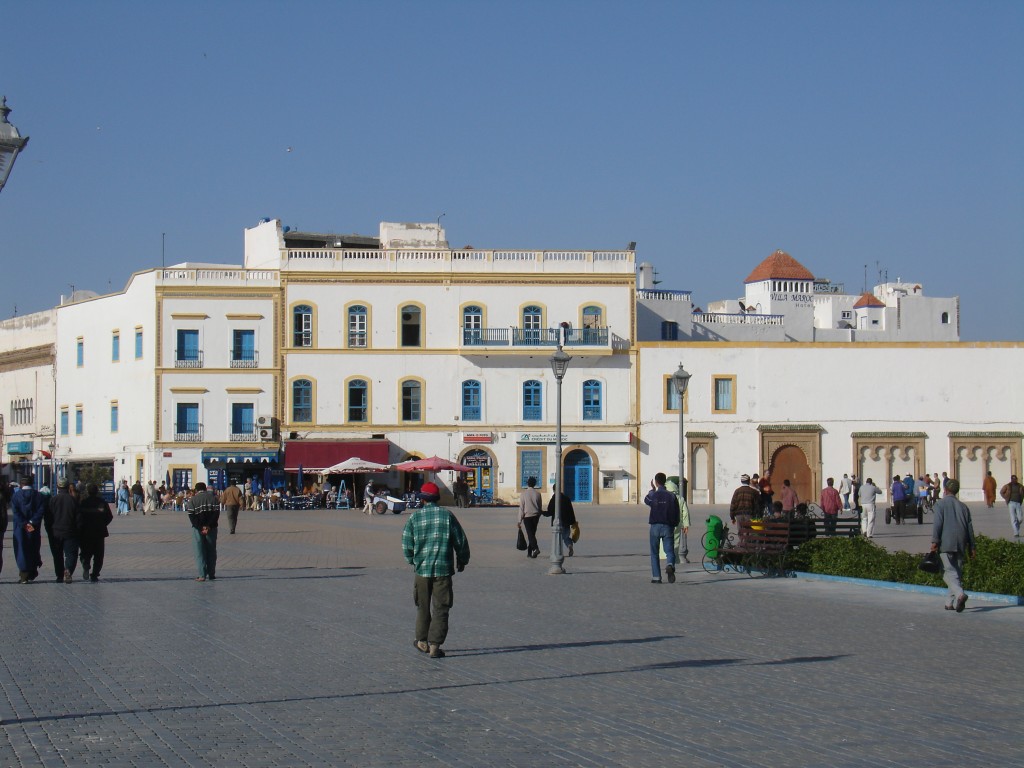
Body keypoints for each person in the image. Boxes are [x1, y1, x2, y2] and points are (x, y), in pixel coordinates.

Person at [401, 481, 470, 659]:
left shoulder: (414, 518)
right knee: (441, 607)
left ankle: (422, 640)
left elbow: (407, 544)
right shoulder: (447, 516)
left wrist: (412, 560)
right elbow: (460, 540)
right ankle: (435, 645)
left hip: (422, 570)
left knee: (422, 606)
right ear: (437, 499)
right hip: (443, 570)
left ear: (423, 500)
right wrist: (462, 560)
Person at [930, 479, 976, 612]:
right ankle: (949, 603)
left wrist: (934, 541)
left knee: (947, 572)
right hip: (961, 543)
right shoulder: (963, 506)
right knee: (956, 573)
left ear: (945, 490)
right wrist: (972, 546)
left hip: (946, 542)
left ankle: (960, 595)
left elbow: (938, 524)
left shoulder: (941, 504)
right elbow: (970, 528)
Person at [644, 473, 680, 584]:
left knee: (654, 552)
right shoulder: (671, 496)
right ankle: (670, 564)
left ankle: (656, 577)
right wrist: (674, 524)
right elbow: (676, 512)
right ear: (665, 482)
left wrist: (652, 490)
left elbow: (646, 500)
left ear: (656, 482)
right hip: (668, 526)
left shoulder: (654, 495)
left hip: (655, 526)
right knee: (669, 550)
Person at [47, 477, 81, 583]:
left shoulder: (53, 500)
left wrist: (49, 530)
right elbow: (79, 518)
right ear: (68, 487)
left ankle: (59, 575)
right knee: (71, 554)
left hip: (55, 532)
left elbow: (48, 518)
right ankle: (68, 570)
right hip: (70, 532)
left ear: (57, 487)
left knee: (57, 555)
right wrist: (78, 530)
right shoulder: (73, 500)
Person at [11, 475, 45, 583]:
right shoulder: (38, 496)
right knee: (33, 547)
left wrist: (24, 523)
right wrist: (32, 522)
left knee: (21, 548)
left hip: (20, 527)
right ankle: (32, 570)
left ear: (21, 484)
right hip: (34, 527)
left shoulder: (16, 496)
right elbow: (41, 510)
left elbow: (15, 512)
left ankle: (24, 573)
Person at [78, 483, 114, 582]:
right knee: (99, 555)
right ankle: (94, 574)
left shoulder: (84, 503)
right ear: (97, 491)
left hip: (86, 532)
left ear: (88, 492)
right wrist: (103, 524)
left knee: (86, 552)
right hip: (99, 532)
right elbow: (109, 517)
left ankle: (86, 565)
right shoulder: (102, 503)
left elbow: (79, 517)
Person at [186, 481, 220, 581]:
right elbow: (216, 514)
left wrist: (201, 527)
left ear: (196, 490)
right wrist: (208, 526)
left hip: (197, 529)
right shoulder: (213, 499)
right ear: (205, 489)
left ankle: (202, 575)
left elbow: (191, 516)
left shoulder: (193, 500)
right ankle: (212, 573)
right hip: (212, 528)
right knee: (211, 550)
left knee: (199, 551)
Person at [546, 483, 577, 555]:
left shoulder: (554, 499)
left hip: (557, 523)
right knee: (566, 537)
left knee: (558, 538)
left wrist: (541, 512)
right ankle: (570, 546)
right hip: (566, 523)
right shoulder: (566, 498)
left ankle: (558, 553)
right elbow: (571, 511)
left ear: (553, 490)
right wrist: (573, 521)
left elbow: (550, 512)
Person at [665, 477, 689, 563]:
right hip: (677, 524)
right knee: (675, 542)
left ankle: (665, 557)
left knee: (664, 541)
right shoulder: (680, 498)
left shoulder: (664, 497)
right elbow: (685, 512)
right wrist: (686, 525)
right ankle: (674, 559)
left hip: (665, 523)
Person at [517, 477, 543, 558]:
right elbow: (539, 507)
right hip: (536, 516)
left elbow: (521, 508)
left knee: (530, 534)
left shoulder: (523, 494)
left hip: (527, 517)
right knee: (532, 534)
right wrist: (539, 514)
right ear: (534, 484)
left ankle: (535, 549)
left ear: (527, 483)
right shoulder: (538, 494)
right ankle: (530, 552)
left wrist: (519, 520)